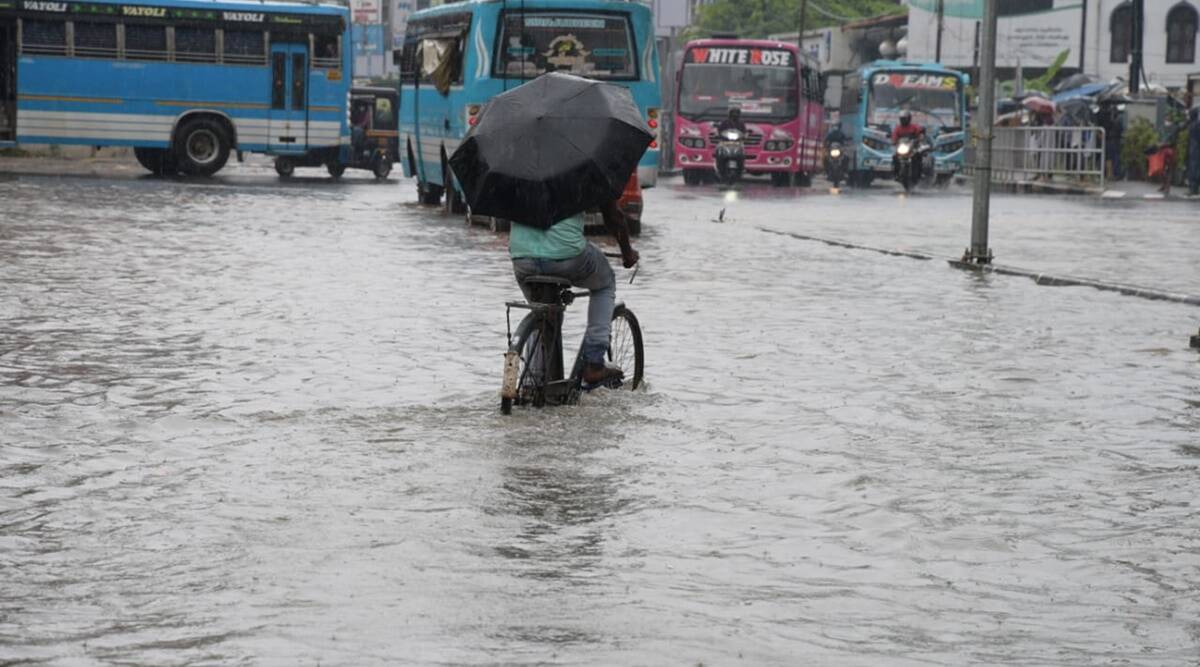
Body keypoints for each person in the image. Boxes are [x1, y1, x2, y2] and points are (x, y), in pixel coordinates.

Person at [510, 199, 638, 385]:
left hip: (522, 258)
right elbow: (613, 216)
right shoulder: (580, 171)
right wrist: (627, 253)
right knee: (605, 282)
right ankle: (594, 362)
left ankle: (534, 381)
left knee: (542, 313)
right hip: (567, 256)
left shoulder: (520, 171)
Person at [1187, 107, 1200, 196]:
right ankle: (1194, 188)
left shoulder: (1193, 126)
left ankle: (1193, 188)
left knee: (1194, 164)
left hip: (1194, 149)